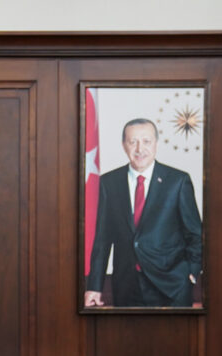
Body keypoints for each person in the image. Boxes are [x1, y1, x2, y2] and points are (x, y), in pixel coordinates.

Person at [84, 118, 203, 307]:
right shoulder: (109, 183)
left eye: (146, 141)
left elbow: (196, 234)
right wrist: (94, 287)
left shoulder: (178, 182)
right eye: (133, 142)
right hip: (126, 286)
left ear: (156, 144)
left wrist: (191, 272)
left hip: (172, 286)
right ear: (124, 145)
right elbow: (102, 240)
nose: (140, 149)